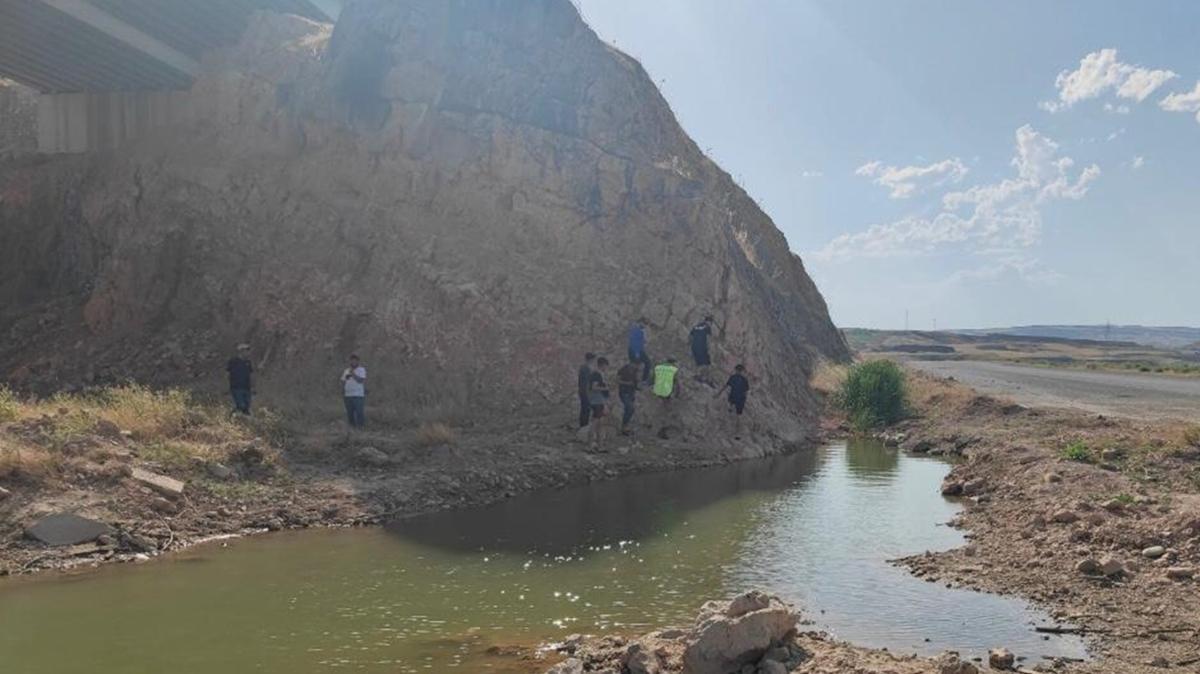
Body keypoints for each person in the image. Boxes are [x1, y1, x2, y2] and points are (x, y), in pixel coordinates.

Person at [715, 364, 751, 438]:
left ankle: (730, 411)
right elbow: (746, 392)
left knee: (730, 407)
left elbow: (725, 386)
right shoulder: (744, 380)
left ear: (736, 370)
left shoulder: (733, 377)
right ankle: (737, 433)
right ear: (742, 371)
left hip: (733, 397)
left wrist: (718, 394)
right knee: (739, 416)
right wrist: (744, 400)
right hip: (740, 399)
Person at [587, 357, 611, 449]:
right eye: (606, 366)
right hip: (597, 401)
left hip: (599, 401)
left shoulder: (598, 374)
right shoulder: (596, 374)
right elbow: (594, 387)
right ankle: (590, 446)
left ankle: (600, 446)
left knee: (600, 424)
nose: (606, 368)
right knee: (595, 423)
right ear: (603, 365)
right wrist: (606, 388)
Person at [226, 343, 253, 415]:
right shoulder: (233, 361)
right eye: (246, 351)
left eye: (248, 351)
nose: (248, 353)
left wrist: (252, 387)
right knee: (241, 406)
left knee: (246, 408)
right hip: (236, 387)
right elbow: (227, 373)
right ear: (241, 351)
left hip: (247, 388)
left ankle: (240, 420)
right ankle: (231, 416)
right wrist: (228, 386)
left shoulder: (248, 362)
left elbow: (250, 375)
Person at [616, 355, 641, 435]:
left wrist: (638, 386)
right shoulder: (623, 369)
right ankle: (624, 426)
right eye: (635, 364)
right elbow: (617, 380)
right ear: (631, 363)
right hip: (624, 392)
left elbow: (636, 381)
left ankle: (626, 426)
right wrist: (627, 383)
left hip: (631, 392)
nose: (636, 366)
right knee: (630, 408)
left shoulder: (635, 370)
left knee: (629, 410)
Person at [341, 354, 367, 428]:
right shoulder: (346, 370)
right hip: (348, 395)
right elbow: (343, 380)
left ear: (358, 361)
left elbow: (360, 380)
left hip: (358, 395)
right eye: (352, 360)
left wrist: (353, 374)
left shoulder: (361, 370)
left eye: (355, 360)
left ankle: (360, 427)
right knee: (350, 413)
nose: (353, 362)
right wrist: (342, 390)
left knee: (359, 412)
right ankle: (352, 428)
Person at [689, 315, 714, 380]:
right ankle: (705, 378)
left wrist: (692, 345)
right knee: (707, 363)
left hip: (694, 347)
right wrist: (709, 349)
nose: (711, 324)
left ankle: (697, 375)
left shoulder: (696, 326)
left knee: (699, 362)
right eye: (711, 323)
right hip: (702, 347)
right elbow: (708, 339)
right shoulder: (707, 327)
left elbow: (691, 336)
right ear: (708, 321)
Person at [627, 318, 652, 383]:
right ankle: (643, 380)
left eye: (646, 324)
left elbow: (641, 341)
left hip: (634, 350)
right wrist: (637, 353)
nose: (645, 325)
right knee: (648, 363)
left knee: (636, 365)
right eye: (644, 323)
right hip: (636, 350)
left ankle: (634, 380)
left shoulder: (640, 330)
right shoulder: (636, 330)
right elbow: (634, 342)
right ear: (640, 322)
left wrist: (645, 341)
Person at [577, 352, 596, 429]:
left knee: (585, 408)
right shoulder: (586, 368)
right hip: (585, 391)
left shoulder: (584, 367)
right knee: (585, 409)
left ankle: (583, 425)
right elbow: (586, 382)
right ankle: (584, 426)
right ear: (590, 359)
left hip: (583, 391)